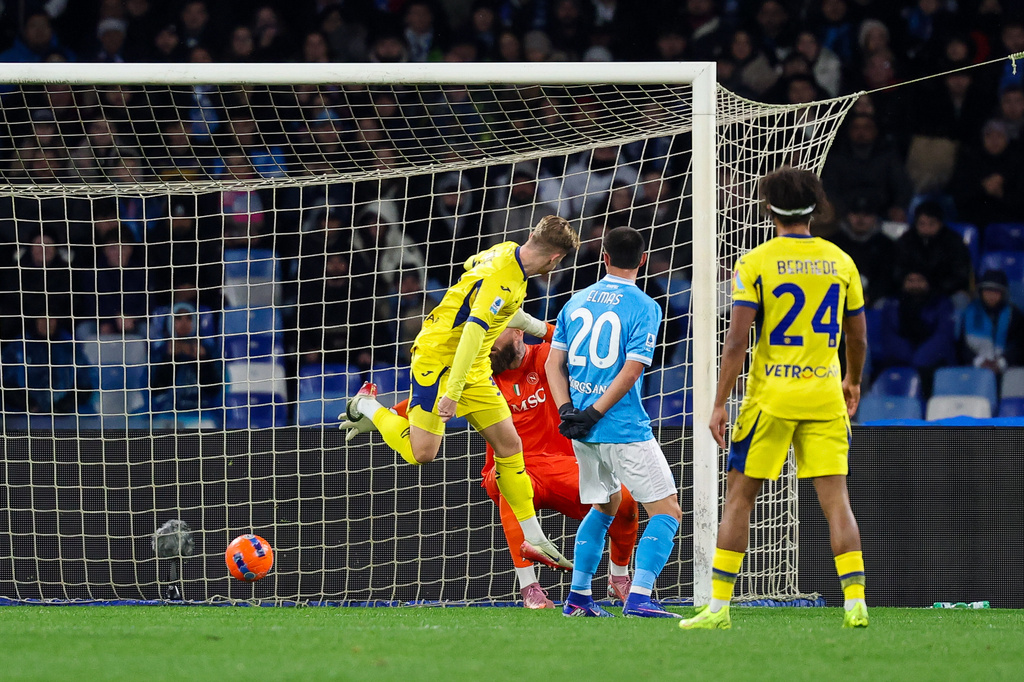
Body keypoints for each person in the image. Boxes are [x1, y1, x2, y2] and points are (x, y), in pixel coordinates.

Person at [680, 167, 869, 630]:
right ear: (816, 208)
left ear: (768, 209)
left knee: (740, 500)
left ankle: (720, 608)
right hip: (824, 396)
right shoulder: (841, 260)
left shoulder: (756, 261)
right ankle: (856, 602)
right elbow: (858, 336)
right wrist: (853, 380)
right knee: (836, 502)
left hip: (771, 398)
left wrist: (721, 401)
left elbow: (736, 342)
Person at [343, 216, 581, 571]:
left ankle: (532, 537)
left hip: (473, 365)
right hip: (439, 359)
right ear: (555, 260)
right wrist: (452, 392)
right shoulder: (505, 280)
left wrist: (548, 333)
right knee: (423, 453)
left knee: (509, 445)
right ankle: (368, 404)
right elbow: (473, 330)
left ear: (532, 236)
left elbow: (479, 278)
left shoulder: (505, 252)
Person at [373, 323, 641, 608]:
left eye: (495, 332)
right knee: (506, 477)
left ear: (518, 332)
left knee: (624, 500)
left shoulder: (548, 358)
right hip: (513, 468)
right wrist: (380, 413)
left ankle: (619, 577)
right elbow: (422, 403)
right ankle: (530, 588)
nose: (487, 344)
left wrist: (538, 327)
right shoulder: (477, 376)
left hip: (563, 466)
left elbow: (583, 347)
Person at [546, 225, 684, 619]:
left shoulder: (575, 302)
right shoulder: (646, 306)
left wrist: (567, 411)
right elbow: (632, 369)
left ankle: (577, 598)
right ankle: (639, 597)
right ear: (642, 260)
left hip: (580, 428)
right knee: (668, 510)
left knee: (605, 507)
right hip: (620, 426)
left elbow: (554, 363)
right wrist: (594, 412)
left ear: (603, 257)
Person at [956, 270, 1024, 376]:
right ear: (981, 292)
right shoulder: (969, 312)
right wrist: (979, 361)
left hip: (1006, 370)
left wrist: (1001, 363)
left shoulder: (1014, 315)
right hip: (974, 368)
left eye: (996, 291)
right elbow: (962, 345)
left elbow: (1019, 345)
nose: (991, 296)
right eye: (987, 291)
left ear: (1003, 293)